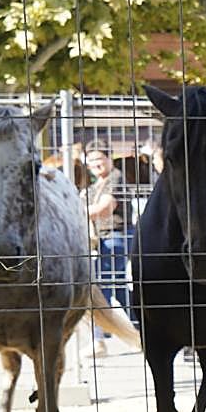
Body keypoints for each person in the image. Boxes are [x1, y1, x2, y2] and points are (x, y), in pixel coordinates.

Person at [83, 140, 133, 354]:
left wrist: (75, 211)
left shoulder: (115, 178)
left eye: (99, 158)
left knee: (100, 287)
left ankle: (98, 339)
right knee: (120, 290)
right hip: (106, 240)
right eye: (91, 160)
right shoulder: (97, 184)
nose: (95, 163)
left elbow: (105, 209)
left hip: (116, 237)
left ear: (109, 158)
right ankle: (143, 332)